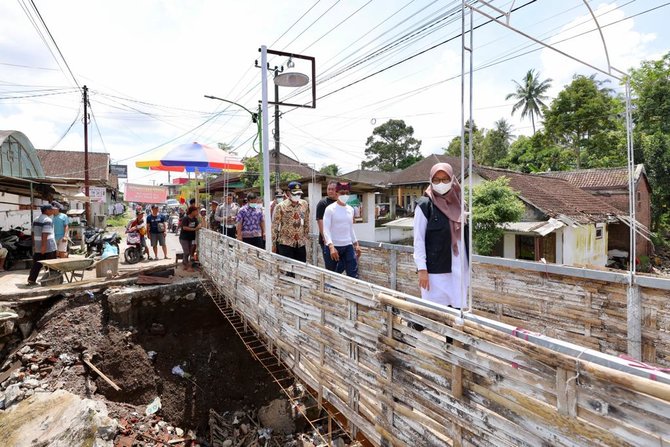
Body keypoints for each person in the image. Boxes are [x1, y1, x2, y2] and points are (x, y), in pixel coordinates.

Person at [413, 162, 468, 308]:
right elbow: (418, 240)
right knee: (435, 309)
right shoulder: (425, 205)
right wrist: (422, 269)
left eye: (445, 179)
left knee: (457, 306)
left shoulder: (461, 203)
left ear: (452, 180)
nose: (441, 183)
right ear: (431, 180)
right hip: (436, 270)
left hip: (459, 266)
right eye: (436, 180)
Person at [322, 182, 361, 278]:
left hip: (347, 245)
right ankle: (329, 291)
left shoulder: (350, 209)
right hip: (334, 246)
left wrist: (356, 244)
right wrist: (331, 247)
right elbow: (325, 229)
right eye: (342, 193)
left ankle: (353, 292)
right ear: (337, 193)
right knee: (331, 275)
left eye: (347, 193)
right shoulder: (330, 209)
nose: (345, 195)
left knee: (353, 273)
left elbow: (350, 228)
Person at [272, 181, 310, 262]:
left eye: (299, 194)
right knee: (288, 270)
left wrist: (306, 238)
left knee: (301, 268)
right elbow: (275, 225)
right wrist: (273, 244)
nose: (297, 196)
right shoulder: (281, 206)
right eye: (295, 194)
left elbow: (307, 221)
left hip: (300, 243)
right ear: (288, 193)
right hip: (285, 243)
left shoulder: (304, 204)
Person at [27, 204, 58, 285]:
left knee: (37, 264)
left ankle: (31, 280)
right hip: (48, 247)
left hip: (38, 246)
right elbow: (45, 234)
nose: (52, 211)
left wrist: (34, 245)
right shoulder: (47, 220)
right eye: (51, 209)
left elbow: (33, 233)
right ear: (47, 210)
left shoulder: (36, 219)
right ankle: (54, 279)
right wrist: (44, 247)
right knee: (52, 264)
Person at [316, 180, 339, 271]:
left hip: (340, 240)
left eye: (333, 189)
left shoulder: (340, 203)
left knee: (341, 265)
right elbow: (320, 222)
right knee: (330, 267)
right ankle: (329, 285)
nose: (330, 191)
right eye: (329, 189)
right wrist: (326, 240)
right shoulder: (323, 203)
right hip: (327, 241)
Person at [179, 205, 201, 271]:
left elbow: (199, 225)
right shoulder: (185, 218)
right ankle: (186, 265)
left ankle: (185, 264)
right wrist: (194, 229)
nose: (197, 212)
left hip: (191, 238)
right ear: (192, 212)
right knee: (186, 252)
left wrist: (201, 217)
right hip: (184, 238)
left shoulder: (195, 219)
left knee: (191, 252)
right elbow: (184, 228)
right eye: (196, 211)